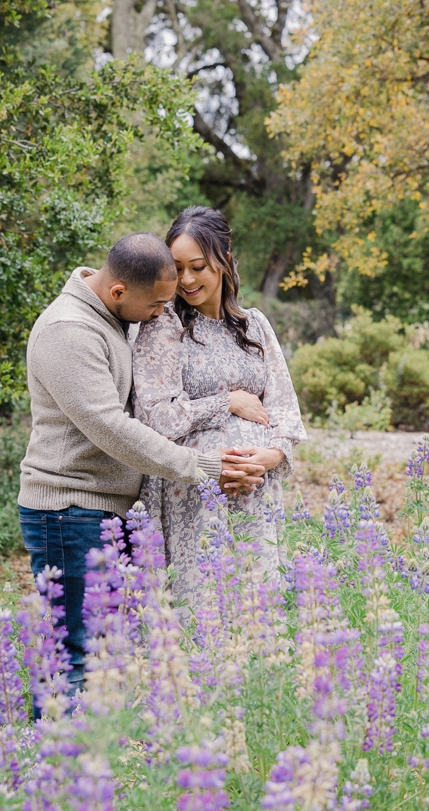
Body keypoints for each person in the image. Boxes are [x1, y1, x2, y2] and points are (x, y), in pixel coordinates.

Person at [18, 232, 267, 690]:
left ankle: (93, 756)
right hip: (69, 509)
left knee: (112, 652)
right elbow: (113, 428)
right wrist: (204, 466)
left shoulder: (111, 315)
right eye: (155, 306)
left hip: (107, 510)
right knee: (74, 652)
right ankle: (52, 756)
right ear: (118, 292)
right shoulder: (69, 331)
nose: (160, 315)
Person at [132, 206, 306, 606]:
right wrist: (225, 402)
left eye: (198, 266)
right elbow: (155, 417)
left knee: (256, 602)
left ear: (225, 262)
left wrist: (270, 455)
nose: (187, 280)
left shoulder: (255, 324)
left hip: (255, 489)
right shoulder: (163, 326)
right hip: (193, 490)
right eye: (177, 269)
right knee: (206, 605)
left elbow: (284, 408)